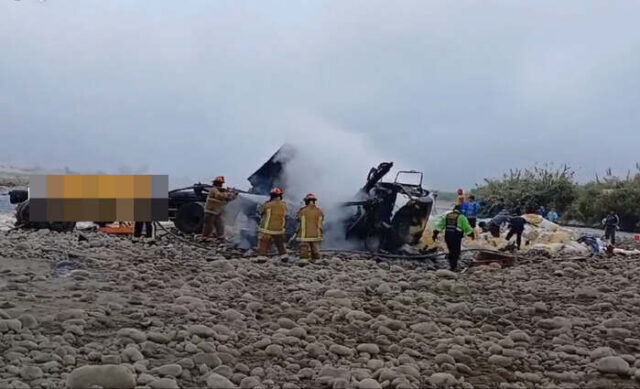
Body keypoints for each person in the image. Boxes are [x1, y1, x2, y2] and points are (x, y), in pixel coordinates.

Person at [432, 204, 473, 271]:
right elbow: (466, 227)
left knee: (451, 250)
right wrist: (471, 234)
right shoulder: (461, 217)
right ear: (460, 210)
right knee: (456, 252)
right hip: (456, 237)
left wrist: (435, 234)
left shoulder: (447, 216)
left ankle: (451, 265)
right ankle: (453, 267)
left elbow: (440, 226)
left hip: (447, 236)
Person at [202, 176, 238, 241]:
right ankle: (205, 238)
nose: (220, 185)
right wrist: (228, 193)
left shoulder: (220, 191)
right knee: (209, 225)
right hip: (210, 211)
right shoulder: (214, 189)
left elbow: (227, 199)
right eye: (219, 183)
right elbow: (219, 196)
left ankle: (220, 237)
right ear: (216, 183)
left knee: (220, 224)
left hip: (217, 211)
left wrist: (233, 195)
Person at [257, 187, 288, 256]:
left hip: (267, 228)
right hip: (279, 229)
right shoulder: (284, 205)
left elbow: (260, 211)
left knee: (264, 242)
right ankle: (284, 256)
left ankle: (262, 256)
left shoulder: (267, 205)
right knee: (280, 243)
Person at [296, 193, 324, 263]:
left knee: (304, 246)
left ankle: (304, 260)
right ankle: (316, 259)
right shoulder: (319, 211)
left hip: (304, 233)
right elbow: (322, 219)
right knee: (315, 247)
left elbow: (297, 219)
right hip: (316, 234)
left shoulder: (302, 211)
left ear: (306, 201)